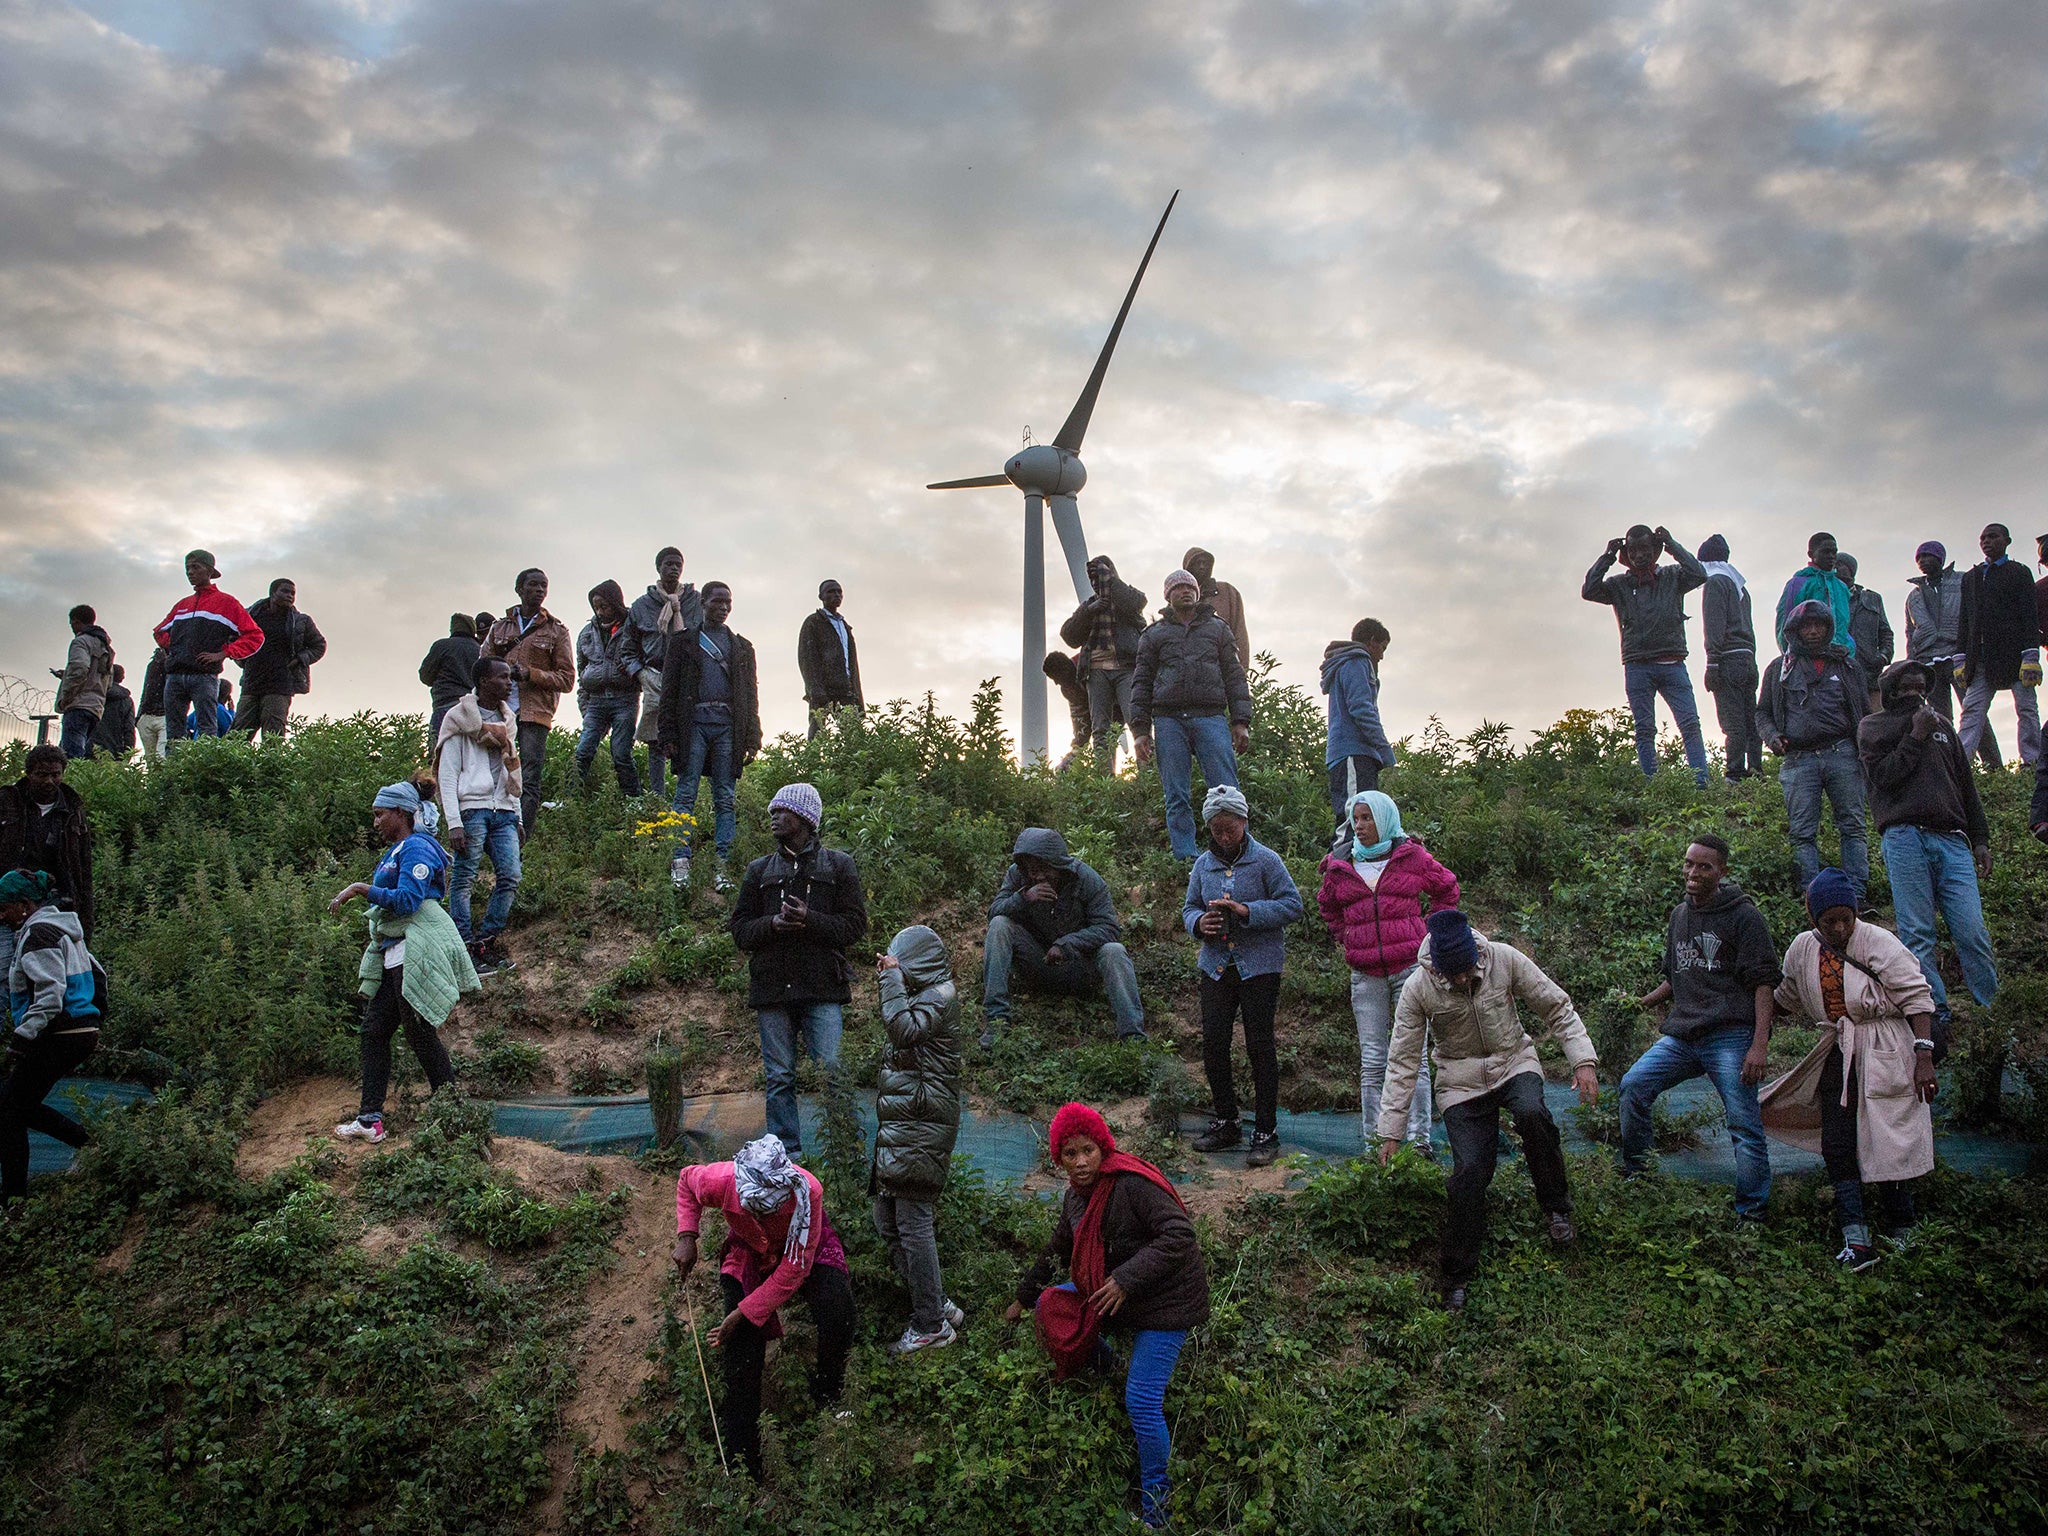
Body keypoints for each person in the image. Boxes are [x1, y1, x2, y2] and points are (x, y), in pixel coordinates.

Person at [1377, 910, 1599, 1309]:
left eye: (1466, 971)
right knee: (1469, 1171)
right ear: (1438, 967)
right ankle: (1456, 1275)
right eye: (1453, 975)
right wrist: (1391, 1132)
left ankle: (1556, 1209)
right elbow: (1403, 1062)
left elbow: (1557, 1006)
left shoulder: (1504, 958)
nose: (1462, 980)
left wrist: (1582, 1060)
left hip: (1513, 1061)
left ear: (1476, 957)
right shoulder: (1417, 988)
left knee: (1533, 1114)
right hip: (1459, 1082)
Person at [1005, 1103, 1210, 1530]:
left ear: (1104, 1148)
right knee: (1051, 1306)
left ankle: (1158, 1508)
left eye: (1089, 1150)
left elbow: (1180, 1235)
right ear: (1058, 1158)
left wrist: (1126, 1279)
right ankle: (1113, 1369)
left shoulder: (1131, 1184)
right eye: (1069, 1153)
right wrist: (1023, 1298)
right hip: (1119, 1295)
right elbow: (1058, 1248)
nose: (1081, 1162)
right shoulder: (1074, 1199)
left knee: (1142, 1401)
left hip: (1164, 1302)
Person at [1760, 869, 1938, 1269]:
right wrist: (1757, 1033)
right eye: (1829, 921)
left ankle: (1903, 1226)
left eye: (1846, 918)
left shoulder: (1879, 942)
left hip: (1886, 1047)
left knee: (1886, 1136)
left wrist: (1923, 1056)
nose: (1839, 928)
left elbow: (1917, 996)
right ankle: (1856, 1239)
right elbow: (1785, 995)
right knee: (1838, 1142)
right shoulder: (1803, 949)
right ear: (1814, 919)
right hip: (1839, 1049)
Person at [672, 1135, 855, 1481]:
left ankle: (828, 1396)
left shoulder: (807, 1193)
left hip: (799, 1244)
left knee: (838, 1311)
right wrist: (687, 1237)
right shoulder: (723, 1180)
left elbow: (795, 1269)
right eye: (753, 1207)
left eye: (767, 1207)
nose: (760, 1211)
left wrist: (744, 1311)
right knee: (741, 1351)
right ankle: (744, 1463)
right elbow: (685, 1181)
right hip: (749, 1248)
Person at [1619, 835, 1778, 1218]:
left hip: (1730, 1034)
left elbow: (1764, 983)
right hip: (1684, 1035)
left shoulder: (1744, 916)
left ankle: (1752, 1212)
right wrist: (1637, 1004)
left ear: (1722, 871)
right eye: (1689, 863)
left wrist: (1759, 1045)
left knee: (1742, 1122)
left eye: (1703, 866)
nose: (1693, 872)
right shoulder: (1680, 915)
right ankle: (1640, 1178)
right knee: (1632, 1087)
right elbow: (1675, 977)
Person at [328, 781, 477, 1144]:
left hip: (414, 951)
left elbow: (408, 901)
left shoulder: (417, 848)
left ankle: (455, 1113)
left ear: (400, 813)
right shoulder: (396, 850)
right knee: (375, 1031)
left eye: (380, 814)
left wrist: (362, 889)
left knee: (419, 1033)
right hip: (395, 952)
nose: (376, 821)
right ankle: (370, 1119)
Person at [1317, 790, 1459, 1154]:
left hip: (1410, 971)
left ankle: (1419, 1141)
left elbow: (1447, 888)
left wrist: (1428, 933)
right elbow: (1327, 906)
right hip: (1365, 975)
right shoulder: (1340, 863)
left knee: (1413, 1057)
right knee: (1373, 1060)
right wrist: (1347, 936)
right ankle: (1375, 1144)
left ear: (1385, 819)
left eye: (1367, 818)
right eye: (1356, 819)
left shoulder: (1410, 856)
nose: (1360, 826)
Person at [729, 784, 867, 1155]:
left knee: (834, 1073)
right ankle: (785, 1158)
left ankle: (844, 1154)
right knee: (779, 1078)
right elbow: (740, 930)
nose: (774, 817)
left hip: (822, 987)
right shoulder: (759, 870)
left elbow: (854, 926)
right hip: (772, 990)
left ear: (805, 818)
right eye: (772, 811)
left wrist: (811, 920)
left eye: (782, 812)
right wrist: (772, 924)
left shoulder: (839, 866)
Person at [1859, 660, 1996, 1024]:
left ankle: (1992, 1013)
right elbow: (1883, 778)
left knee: (1972, 931)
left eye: (1921, 688)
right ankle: (1936, 1015)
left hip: (1952, 840)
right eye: (1906, 689)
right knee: (1918, 934)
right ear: (1890, 692)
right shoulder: (1873, 727)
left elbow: (1966, 786)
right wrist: (1915, 736)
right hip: (1904, 836)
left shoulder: (1945, 728)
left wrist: (1979, 838)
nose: (1915, 695)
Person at [1183, 786, 1303, 1167]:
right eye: (1216, 829)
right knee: (1214, 1042)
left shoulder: (1266, 861)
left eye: (1230, 828)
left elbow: (1292, 904)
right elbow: (1189, 908)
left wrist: (1247, 911)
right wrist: (1200, 922)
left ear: (1244, 822)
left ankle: (1265, 1130)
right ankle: (1226, 1120)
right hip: (1216, 966)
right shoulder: (1203, 865)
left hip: (1260, 967)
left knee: (1259, 1045)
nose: (1223, 836)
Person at [870, 925, 967, 1355]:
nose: (893, 968)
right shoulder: (925, 996)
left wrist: (890, 981)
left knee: (912, 1223)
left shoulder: (940, 997)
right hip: (905, 1124)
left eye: (899, 961)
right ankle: (936, 1304)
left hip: (921, 1124)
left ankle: (930, 1324)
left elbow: (902, 1031)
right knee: (887, 1220)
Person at [981, 828, 1146, 1049]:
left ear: (1058, 864)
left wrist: (1067, 943)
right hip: (1037, 963)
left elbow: (1108, 928)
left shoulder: (1087, 879)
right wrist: (1023, 898)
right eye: (1031, 870)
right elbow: (994, 912)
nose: (1037, 876)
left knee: (1113, 950)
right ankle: (997, 1022)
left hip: (1080, 968)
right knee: (1000, 924)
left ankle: (1134, 1039)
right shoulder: (1017, 875)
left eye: (1043, 869)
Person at [0, 869, 106, 1207]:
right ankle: (94, 1145)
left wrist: (21, 1039)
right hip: (78, 1029)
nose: (2, 916)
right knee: (19, 1104)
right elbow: (98, 974)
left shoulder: (37, 935)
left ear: (26, 905)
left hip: (59, 1032)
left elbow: (49, 994)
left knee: (9, 1108)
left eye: (5, 907)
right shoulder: (65, 930)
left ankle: (14, 1197)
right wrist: (94, 1016)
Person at [1131, 569, 1252, 861]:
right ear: (1168, 595)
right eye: (1178, 587)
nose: (1185, 591)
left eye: (1190, 587)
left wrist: (1240, 721)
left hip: (1210, 716)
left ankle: (1237, 852)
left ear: (1197, 594)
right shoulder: (1154, 635)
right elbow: (1141, 682)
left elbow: (1234, 677)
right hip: (1168, 720)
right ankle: (1186, 857)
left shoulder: (1218, 629)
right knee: (1176, 794)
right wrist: (1140, 731)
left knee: (1227, 790)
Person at [1581, 524, 1709, 785]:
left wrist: (1672, 544)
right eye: (1634, 550)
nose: (1640, 555)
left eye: (1646, 549)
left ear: (1655, 550)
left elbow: (1699, 574)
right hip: (1637, 666)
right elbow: (1589, 590)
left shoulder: (1673, 576)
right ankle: (1652, 787)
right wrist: (1607, 556)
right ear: (1626, 554)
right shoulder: (1619, 585)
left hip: (1672, 663)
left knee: (1690, 725)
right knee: (1644, 730)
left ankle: (1701, 785)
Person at [1759, 600, 1869, 899]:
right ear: (1794, 630)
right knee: (1802, 832)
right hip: (1798, 759)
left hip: (1843, 753)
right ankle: (1810, 896)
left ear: (1828, 627)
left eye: (1819, 625)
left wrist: (1867, 752)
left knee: (1853, 826)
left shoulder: (1847, 665)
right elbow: (1762, 713)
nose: (1813, 631)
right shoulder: (1779, 668)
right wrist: (1772, 737)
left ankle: (1856, 896)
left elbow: (1865, 711)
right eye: (1806, 626)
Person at [656, 582, 761, 887]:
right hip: (694, 727)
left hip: (728, 727)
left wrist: (753, 736)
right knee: (686, 792)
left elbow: (750, 695)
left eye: (728, 602)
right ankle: (680, 860)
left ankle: (722, 865)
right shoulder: (683, 642)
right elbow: (669, 691)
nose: (724, 608)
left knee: (725, 797)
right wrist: (667, 734)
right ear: (703, 602)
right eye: (718, 602)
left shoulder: (742, 647)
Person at [435, 656, 524, 975]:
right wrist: (454, 822)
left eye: (510, 677)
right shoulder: (458, 718)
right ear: (484, 682)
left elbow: (513, 769)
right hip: (471, 810)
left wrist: (518, 814)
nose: (509, 682)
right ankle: (463, 948)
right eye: (503, 677)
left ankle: (484, 941)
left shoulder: (508, 720)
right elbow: (447, 774)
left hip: (503, 811)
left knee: (511, 876)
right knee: (463, 879)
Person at [482, 568, 576, 834]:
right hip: (499, 712)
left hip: (535, 713)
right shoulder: (499, 627)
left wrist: (531, 674)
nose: (540, 590)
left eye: (544, 586)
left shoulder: (557, 631)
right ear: (519, 589)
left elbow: (567, 679)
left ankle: (521, 835)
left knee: (530, 777)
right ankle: (492, 832)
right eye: (534, 585)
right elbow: (481, 665)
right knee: (492, 771)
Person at [0, 746, 94, 980]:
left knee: (44, 975)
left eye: (56, 774)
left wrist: (85, 920)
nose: (50, 781)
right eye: (42, 774)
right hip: (6, 903)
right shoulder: (8, 802)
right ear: (29, 773)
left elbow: (82, 868)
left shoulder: (72, 811)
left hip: (51, 906)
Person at [152, 549, 263, 743]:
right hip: (175, 675)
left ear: (210, 571)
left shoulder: (227, 603)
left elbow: (255, 635)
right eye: (187, 568)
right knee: (174, 731)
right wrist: (177, 648)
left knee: (206, 729)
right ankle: (173, 773)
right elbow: (159, 631)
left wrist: (224, 653)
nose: (190, 572)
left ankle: (204, 772)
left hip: (204, 676)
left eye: (195, 567)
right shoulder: (182, 605)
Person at [1958, 522, 2041, 766]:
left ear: (2007, 541)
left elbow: (2029, 615)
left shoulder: (2019, 572)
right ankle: (1962, 763)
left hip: (2016, 654)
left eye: (1993, 537)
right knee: (1972, 711)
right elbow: (1965, 619)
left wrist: (2030, 656)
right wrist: (1960, 658)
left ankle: (2032, 761)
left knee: (2026, 708)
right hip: (1981, 658)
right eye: (1983, 538)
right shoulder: (1971, 577)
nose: (1986, 542)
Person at [626, 547, 702, 797]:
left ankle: (685, 795)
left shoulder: (695, 601)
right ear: (658, 568)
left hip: (687, 677)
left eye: (678, 564)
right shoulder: (641, 606)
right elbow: (627, 647)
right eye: (669, 564)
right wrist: (640, 673)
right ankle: (657, 798)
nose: (674, 568)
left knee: (689, 733)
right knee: (654, 739)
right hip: (655, 675)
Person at [1059, 555, 1148, 767]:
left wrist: (1112, 582)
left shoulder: (1127, 600)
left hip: (1126, 668)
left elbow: (1138, 602)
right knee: (1101, 729)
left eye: (1101, 574)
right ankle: (1104, 780)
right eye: (1093, 577)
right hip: (1096, 671)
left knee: (1137, 723)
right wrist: (1090, 611)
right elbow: (1069, 635)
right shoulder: (1089, 605)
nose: (1097, 581)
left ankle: (1147, 775)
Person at [1697, 535, 1762, 781]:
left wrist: (1712, 662)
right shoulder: (1740, 586)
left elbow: (1714, 626)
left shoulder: (1715, 583)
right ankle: (1755, 770)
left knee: (1732, 721)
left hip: (1727, 659)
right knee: (1749, 718)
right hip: (1747, 658)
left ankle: (1734, 773)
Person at [1322, 618, 1395, 835]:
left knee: (1365, 820)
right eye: (1382, 648)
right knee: (1352, 821)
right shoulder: (1356, 662)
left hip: (1356, 754)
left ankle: (1355, 867)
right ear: (1372, 641)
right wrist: (1384, 749)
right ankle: (1337, 868)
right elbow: (1361, 709)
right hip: (1353, 753)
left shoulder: (1351, 664)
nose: (1382, 656)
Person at [572, 580, 643, 797]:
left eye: (605, 606)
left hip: (625, 699)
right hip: (596, 701)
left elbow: (647, 659)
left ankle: (634, 800)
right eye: (597, 607)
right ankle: (569, 799)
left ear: (616, 603)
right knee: (582, 751)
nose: (601, 611)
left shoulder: (634, 628)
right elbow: (581, 671)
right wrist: (585, 706)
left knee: (621, 753)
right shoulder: (586, 633)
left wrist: (632, 667)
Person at [233, 578, 326, 741]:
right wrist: (241, 658)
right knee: (238, 734)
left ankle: (271, 767)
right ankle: (233, 767)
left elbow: (319, 645)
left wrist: (299, 659)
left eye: (293, 593)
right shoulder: (250, 615)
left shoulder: (301, 621)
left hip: (281, 684)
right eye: (285, 591)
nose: (290, 596)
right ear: (272, 593)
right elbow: (232, 638)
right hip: (251, 681)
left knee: (273, 736)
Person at [1904, 541, 1967, 724]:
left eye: (1927, 555)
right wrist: (1912, 663)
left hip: (1958, 656)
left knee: (1973, 711)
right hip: (1928, 661)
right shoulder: (1913, 596)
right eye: (1919, 558)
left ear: (1940, 557)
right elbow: (1909, 632)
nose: (1922, 561)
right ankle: (1949, 753)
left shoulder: (1962, 580)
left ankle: (1989, 754)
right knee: (1939, 719)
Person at [798, 579, 864, 737]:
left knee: (854, 736)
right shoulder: (813, 623)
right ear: (821, 596)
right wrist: (815, 690)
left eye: (839, 592)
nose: (836, 595)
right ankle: (813, 762)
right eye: (831, 591)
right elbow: (806, 659)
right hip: (823, 690)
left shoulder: (845, 626)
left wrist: (858, 698)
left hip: (846, 690)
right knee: (817, 733)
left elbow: (852, 665)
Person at [1774, 532, 1855, 658]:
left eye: (1834, 552)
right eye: (1825, 552)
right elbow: (1784, 623)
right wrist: (1790, 656)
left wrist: (1850, 648)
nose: (1831, 557)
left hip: (1839, 658)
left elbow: (1844, 626)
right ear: (1811, 555)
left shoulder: (1842, 588)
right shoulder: (1798, 584)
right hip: (1806, 658)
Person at [52, 605, 113, 760]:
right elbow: (108, 680)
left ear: (76, 621)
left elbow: (79, 668)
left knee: (72, 755)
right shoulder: (105, 646)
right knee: (82, 753)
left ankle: (72, 783)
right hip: (96, 707)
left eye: (72, 624)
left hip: (78, 704)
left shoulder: (81, 641)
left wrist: (67, 697)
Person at [1834, 554, 1893, 712]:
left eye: (1842, 564)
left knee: (1875, 725)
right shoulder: (1827, 597)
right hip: (1838, 676)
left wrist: (1883, 657)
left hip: (1871, 676)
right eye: (1835, 565)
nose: (1838, 568)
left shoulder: (1872, 598)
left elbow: (1886, 632)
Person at [1183, 546, 1251, 672]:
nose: (1202, 567)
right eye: (1197, 563)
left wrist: (1243, 669)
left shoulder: (1227, 592)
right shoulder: (1180, 598)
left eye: (1205, 563)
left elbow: (1239, 630)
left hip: (1224, 667)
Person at [419, 613, 481, 750]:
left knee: (437, 755)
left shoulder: (441, 646)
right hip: (473, 709)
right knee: (469, 757)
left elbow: (425, 675)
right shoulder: (481, 650)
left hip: (444, 706)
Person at [1043, 651, 1104, 771]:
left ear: (1065, 669)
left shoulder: (1088, 662)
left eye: (1056, 678)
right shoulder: (1068, 690)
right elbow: (1079, 718)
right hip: (1100, 716)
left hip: (1117, 702)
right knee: (1101, 739)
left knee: (1104, 736)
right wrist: (1077, 748)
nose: (1056, 683)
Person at [92, 665, 136, 759]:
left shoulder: (94, 694)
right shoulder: (126, 700)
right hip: (114, 751)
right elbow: (129, 730)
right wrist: (127, 755)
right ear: (121, 678)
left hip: (89, 747)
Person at [135, 648, 168, 762]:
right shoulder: (152, 666)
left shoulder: (174, 664)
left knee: (160, 758)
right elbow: (146, 690)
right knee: (152, 760)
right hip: (148, 715)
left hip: (164, 716)